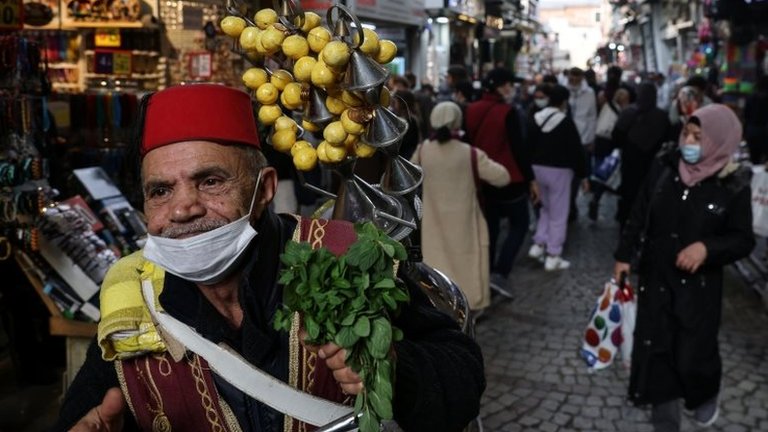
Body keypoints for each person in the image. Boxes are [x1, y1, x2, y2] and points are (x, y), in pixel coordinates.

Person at [52, 84, 486, 432]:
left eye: (210, 181)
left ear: (264, 190)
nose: (183, 208)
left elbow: (462, 370)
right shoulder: (132, 293)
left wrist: (397, 368)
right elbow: (87, 412)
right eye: (160, 191)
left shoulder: (344, 254)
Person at [613, 104, 754, 432]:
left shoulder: (733, 185)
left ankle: (704, 395)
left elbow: (742, 239)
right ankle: (666, 424)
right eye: (685, 133)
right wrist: (623, 255)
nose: (688, 142)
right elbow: (639, 212)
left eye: (698, 137)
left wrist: (708, 248)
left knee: (692, 354)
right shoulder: (664, 167)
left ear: (719, 141)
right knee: (658, 351)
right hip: (656, 277)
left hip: (698, 290)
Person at [411, 101, 511, 314]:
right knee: (468, 264)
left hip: (433, 224)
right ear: (458, 121)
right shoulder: (470, 153)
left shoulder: (422, 151)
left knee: (437, 264)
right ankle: (469, 305)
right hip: (466, 222)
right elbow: (503, 177)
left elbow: (409, 179)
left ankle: (438, 302)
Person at [465, 67, 538, 289]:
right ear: (498, 87)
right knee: (520, 224)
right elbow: (519, 149)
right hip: (510, 179)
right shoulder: (508, 112)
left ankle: (486, 269)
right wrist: (531, 179)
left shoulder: (470, 109)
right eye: (508, 84)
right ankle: (501, 271)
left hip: (482, 179)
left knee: (491, 227)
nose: (511, 88)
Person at [527, 85, 587, 270]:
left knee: (545, 208)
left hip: (537, 169)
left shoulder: (536, 118)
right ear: (564, 102)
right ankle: (553, 254)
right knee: (559, 214)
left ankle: (539, 244)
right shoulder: (566, 121)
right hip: (559, 172)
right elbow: (577, 150)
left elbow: (526, 145)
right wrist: (583, 175)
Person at [612, 83, 671, 227]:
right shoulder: (662, 116)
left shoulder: (628, 113)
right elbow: (668, 139)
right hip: (651, 165)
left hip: (630, 162)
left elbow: (616, 136)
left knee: (628, 194)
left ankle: (625, 222)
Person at [588, 88, 631, 221]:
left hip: (601, 143)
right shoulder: (617, 111)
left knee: (603, 173)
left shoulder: (608, 107)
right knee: (606, 173)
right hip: (608, 144)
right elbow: (606, 128)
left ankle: (595, 198)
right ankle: (596, 198)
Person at [566, 67, 597, 221]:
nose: (574, 79)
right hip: (565, 139)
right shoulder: (564, 91)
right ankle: (568, 205)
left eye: (576, 76)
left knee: (577, 174)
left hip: (582, 138)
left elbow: (592, 117)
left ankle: (571, 203)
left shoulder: (589, 93)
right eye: (572, 76)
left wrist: (591, 138)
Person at [743, 75, 768, 164]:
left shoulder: (751, 97)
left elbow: (745, 115)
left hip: (752, 130)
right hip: (764, 131)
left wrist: (744, 132)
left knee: (754, 159)